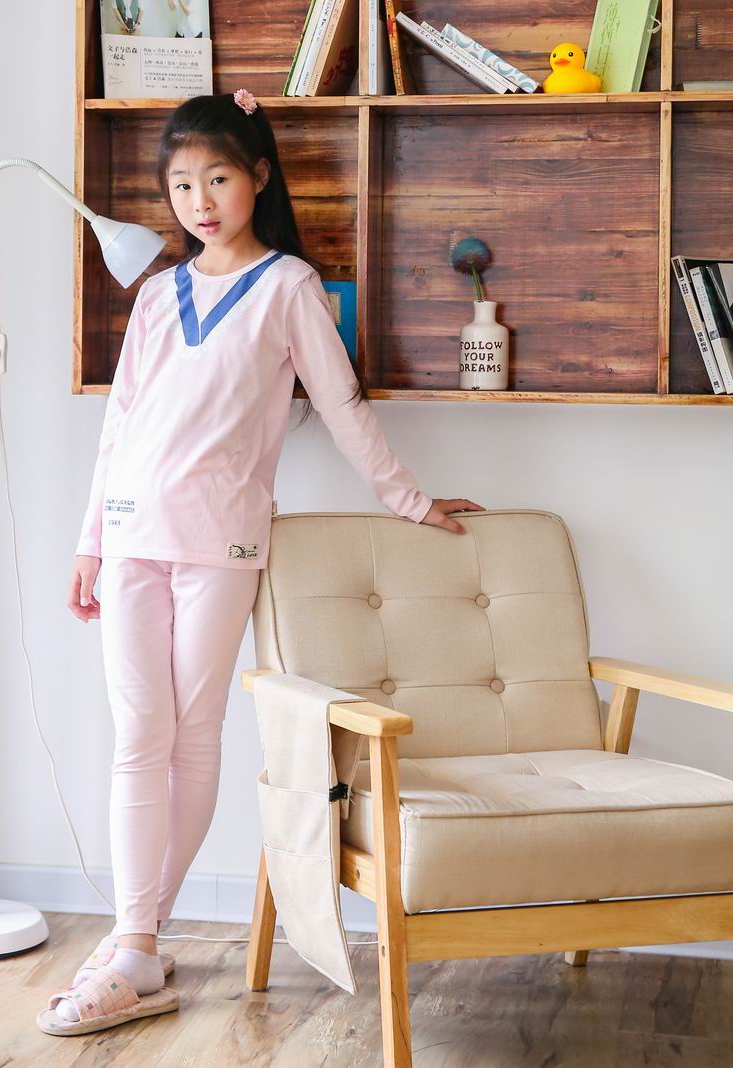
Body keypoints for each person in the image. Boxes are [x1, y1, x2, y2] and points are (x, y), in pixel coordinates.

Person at [37, 87, 484, 1036]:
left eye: (217, 179)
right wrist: (88, 539)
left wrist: (410, 500)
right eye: (181, 184)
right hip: (131, 535)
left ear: (259, 179)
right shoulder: (155, 294)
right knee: (137, 735)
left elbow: (344, 406)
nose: (198, 201)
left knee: (191, 736)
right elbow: (120, 424)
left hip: (222, 545)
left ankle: (133, 948)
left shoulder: (290, 289)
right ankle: (136, 944)